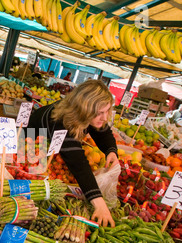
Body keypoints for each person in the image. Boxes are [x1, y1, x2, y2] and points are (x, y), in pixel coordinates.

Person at [26, 79, 119, 227]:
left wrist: (111, 151)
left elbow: (103, 132)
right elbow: (78, 163)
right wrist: (99, 203)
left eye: (107, 111)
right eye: (100, 113)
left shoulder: (90, 116)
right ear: (84, 110)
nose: (105, 117)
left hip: (51, 150)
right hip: (30, 145)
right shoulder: (61, 122)